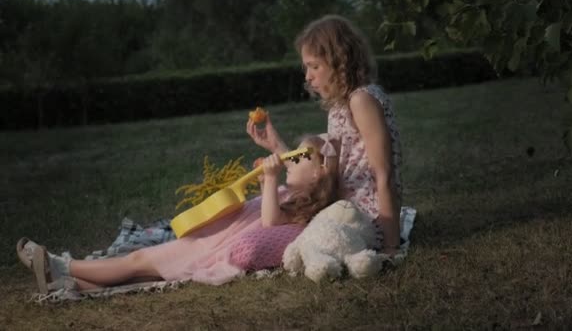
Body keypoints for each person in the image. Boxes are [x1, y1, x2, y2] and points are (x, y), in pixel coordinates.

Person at [16, 135, 339, 294]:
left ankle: (61, 265)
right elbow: (283, 171)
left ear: (317, 175)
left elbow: (270, 222)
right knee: (142, 271)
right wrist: (273, 154)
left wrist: (269, 180)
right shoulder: (291, 194)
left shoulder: (299, 213)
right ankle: (64, 281)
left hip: (206, 249)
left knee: (139, 260)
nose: (288, 161)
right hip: (206, 239)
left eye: (298, 159)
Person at [247, 15, 404, 255]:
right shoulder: (340, 107)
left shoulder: (361, 100)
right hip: (340, 203)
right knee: (261, 212)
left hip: (365, 219)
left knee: (272, 227)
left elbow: (384, 173)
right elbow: (325, 165)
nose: (308, 76)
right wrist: (277, 145)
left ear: (340, 63)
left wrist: (391, 244)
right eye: (306, 67)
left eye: (314, 66)